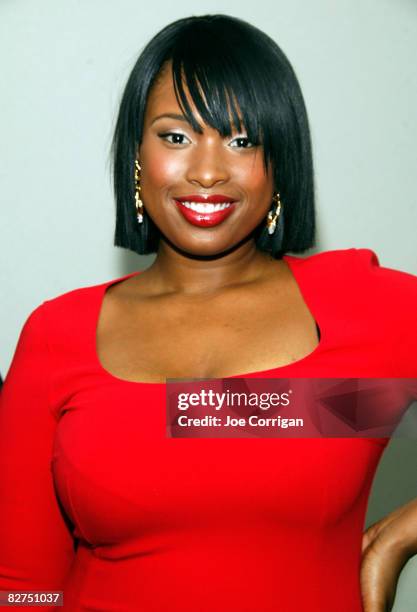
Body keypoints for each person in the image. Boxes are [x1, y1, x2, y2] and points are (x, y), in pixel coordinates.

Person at [0, 13, 416, 612]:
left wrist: (398, 538)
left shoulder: (366, 312)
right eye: (176, 136)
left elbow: (227, 416)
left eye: (243, 141)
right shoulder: (57, 335)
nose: (207, 171)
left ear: (280, 165)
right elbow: (23, 588)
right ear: (136, 155)